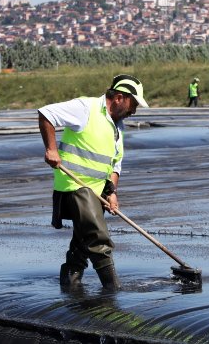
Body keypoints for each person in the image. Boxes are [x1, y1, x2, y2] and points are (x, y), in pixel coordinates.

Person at [38, 74, 148, 291]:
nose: (134, 111)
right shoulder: (86, 108)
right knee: (98, 237)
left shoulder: (118, 127)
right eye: (133, 104)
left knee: (81, 241)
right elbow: (46, 113)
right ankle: (112, 288)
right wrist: (51, 149)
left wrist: (112, 192)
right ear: (119, 98)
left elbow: (115, 164)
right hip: (75, 186)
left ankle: (70, 282)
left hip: (98, 190)